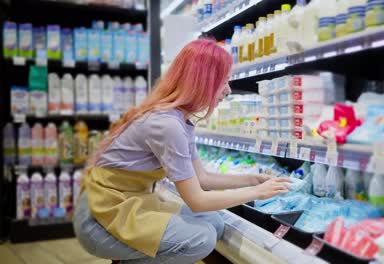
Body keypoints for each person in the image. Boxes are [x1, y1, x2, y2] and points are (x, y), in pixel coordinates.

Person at [73, 39, 291, 264]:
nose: (228, 90)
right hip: (100, 217)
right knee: (202, 239)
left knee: (214, 222)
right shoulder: (167, 124)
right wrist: (257, 193)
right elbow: (197, 200)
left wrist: (251, 180)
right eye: (223, 81)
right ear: (204, 81)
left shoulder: (181, 119)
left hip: (127, 204)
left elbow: (202, 179)